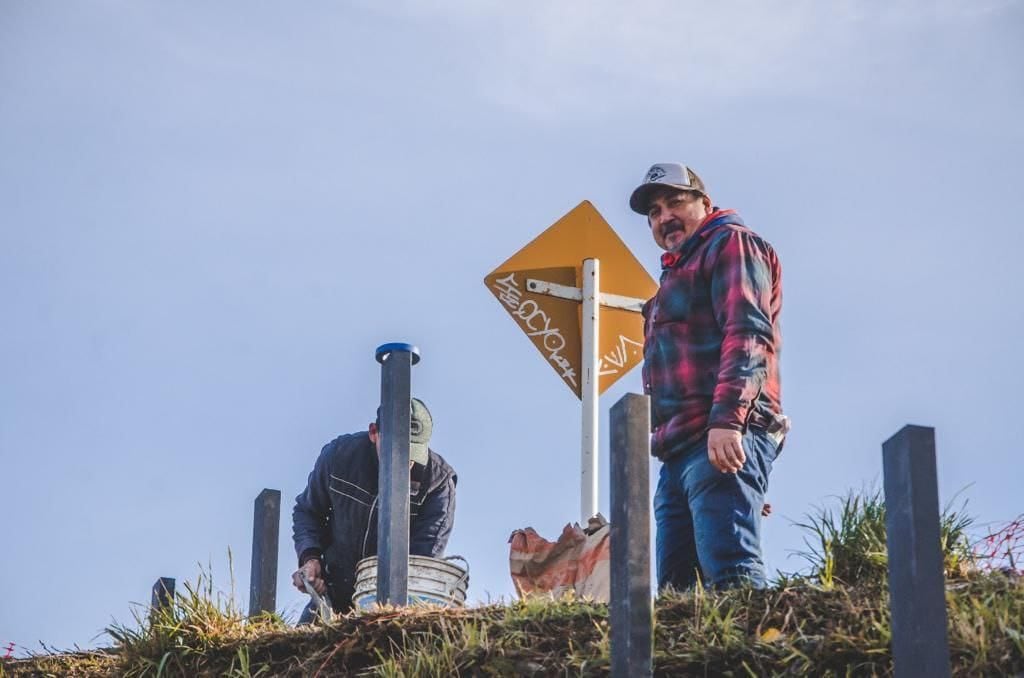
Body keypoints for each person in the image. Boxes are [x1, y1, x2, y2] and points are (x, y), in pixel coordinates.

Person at [630, 163, 789, 591]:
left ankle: (755, 655)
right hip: (679, 451)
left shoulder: (731, 244)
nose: (664, 218)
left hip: (716, 435)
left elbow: (748, 335)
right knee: (678, 594)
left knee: (731, 571)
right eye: (654, 212)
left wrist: (728, 423)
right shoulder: (674, 276)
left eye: (676, 202)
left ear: (705, 203)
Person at [291, 397, 457, 620]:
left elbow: (423, 560)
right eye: (396, 451)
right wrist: (310, 558)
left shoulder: (437, 483)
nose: (405, 463)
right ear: (373, 433)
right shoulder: (339, 457)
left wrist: (390, 611)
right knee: (297, 651)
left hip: (396, 608)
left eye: (412, 453)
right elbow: (308, 512)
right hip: (333, 595)